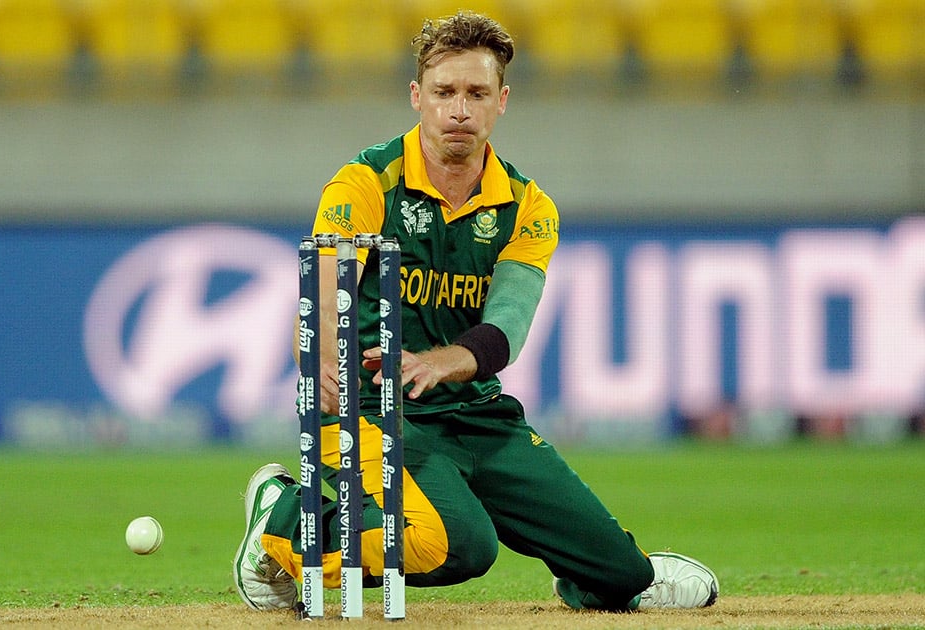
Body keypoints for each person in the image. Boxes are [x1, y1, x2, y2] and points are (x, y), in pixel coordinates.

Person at [233, 10, 719, 614]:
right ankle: (283, 515)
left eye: (475, 93)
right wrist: (326, 354)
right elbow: (327, 289)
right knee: (458, 545)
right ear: (417, 97)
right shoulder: (364, 185)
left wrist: (441, 364)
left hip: (477, 414)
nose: (458, 109)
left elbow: (506, 327)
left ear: (501, 101)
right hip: (377, 414)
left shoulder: (527, 206)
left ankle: (591, 570)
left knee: (622, 579)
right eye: (443, 93)